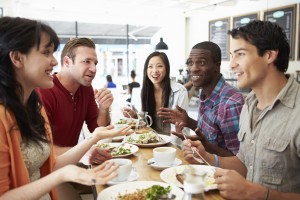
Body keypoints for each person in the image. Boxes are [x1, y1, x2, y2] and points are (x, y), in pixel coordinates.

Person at [0, 16, 133, 200]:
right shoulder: (34, 100)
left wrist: (95, 132)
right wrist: (66, 172)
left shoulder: (33, 105)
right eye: (46, 53)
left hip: (59, 173)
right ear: (16, 58)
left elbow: (48, 162)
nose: (54, 61)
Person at [183, 20, 300, 199]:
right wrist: (205, 156)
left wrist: (258, 193)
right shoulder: (249, 105)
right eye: (232, 56)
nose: (231, 65)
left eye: (240, 54)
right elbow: (245, 163)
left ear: (269, 56)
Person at [158, 41, 245, 156]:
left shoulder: (230, 104)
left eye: (202, 63)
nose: (193, 69)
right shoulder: (205, 93)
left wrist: (205, 147)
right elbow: (213, 133)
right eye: (190, 63)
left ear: (216, 66)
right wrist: (189, 122)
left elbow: (240, 160)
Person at [36, 38, 113, 161]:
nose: (94, 69)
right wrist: (83, 152)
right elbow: (39, 149)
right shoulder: (45, 91)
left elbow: (97, 129)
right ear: (67, 62)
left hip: (71, 164)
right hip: (46, 172)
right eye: (86, 61)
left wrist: (104, 109)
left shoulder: (85, 89)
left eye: (95, 63)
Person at [123, 51, 189, 146]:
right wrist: (134, 116)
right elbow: (145, 124)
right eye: (150, 66)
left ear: (167, 68)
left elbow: (182, 129)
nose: (154, 71)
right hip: (149, 143)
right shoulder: (142, 91)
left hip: (174, 145)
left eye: (159, 66)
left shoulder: (180, 91)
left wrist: (172, 146)